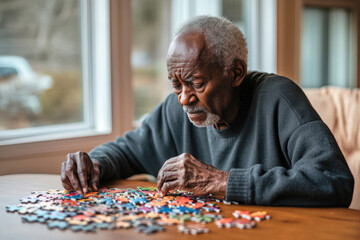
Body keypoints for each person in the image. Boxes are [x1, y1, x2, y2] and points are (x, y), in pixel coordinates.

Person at [61, 16, 354, 207]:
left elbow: (335, 181)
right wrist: (94, 164)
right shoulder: (179, 110)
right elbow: (128, 151)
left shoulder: (278, 97)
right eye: (175, 85)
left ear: (235, 73)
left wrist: (221, 181)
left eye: (196, 83)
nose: (184, 99)